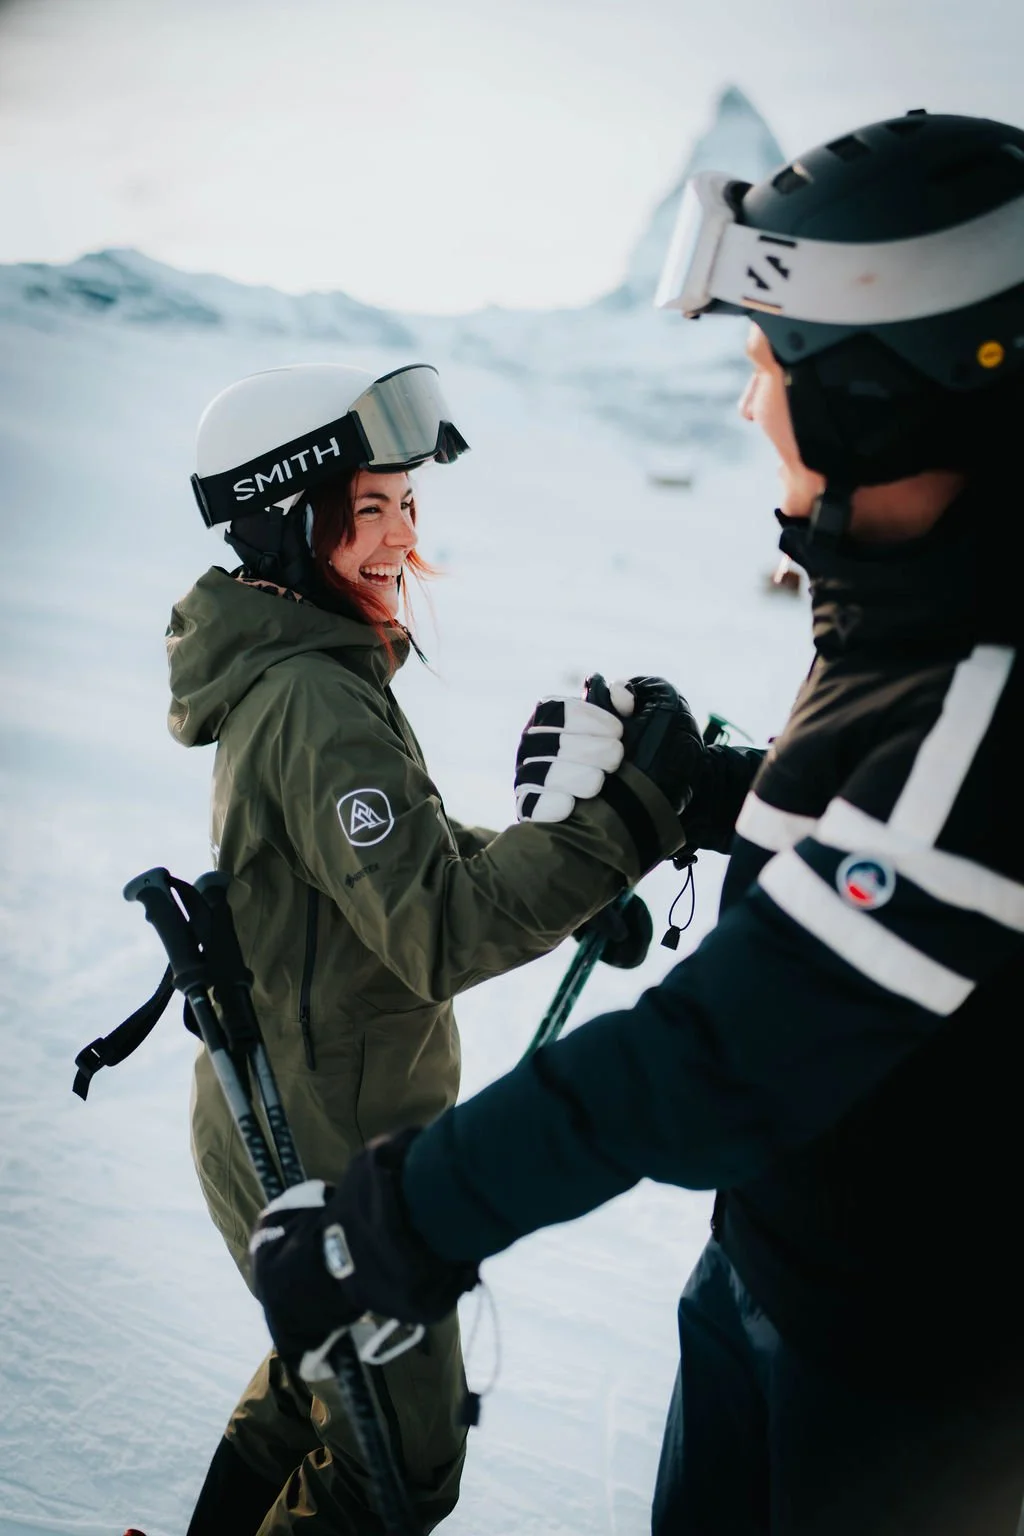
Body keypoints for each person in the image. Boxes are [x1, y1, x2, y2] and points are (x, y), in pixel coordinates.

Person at [250, 112, 1024, 1535]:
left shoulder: (987, 701)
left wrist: (403, 1220)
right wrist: (704, 787)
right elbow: (886, 843)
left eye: (767, 365)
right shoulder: (924, 608)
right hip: (786, 1268)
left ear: (876, 400)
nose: (747, 407)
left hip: (910, 1385)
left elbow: (721, 1053)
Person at [169, 360, 693, 1534]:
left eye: (408, 504)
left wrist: (574, 879)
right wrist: (613, 832)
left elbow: (414, 857)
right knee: (395, 1470)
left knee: (323, 1386)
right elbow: (438, 931)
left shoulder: (315, 667)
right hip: (316, 1135)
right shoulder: (314, 699)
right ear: (283, 520)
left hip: (311, 1104)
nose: (404, 538)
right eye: (370, 509)